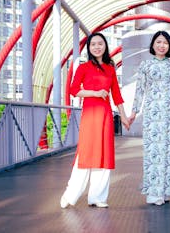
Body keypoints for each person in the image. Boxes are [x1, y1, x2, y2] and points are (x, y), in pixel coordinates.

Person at [60, 32, 129, 209]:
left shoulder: (110, 69)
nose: (97, 47)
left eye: (100, 44)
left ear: (105, 46)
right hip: (90, 115)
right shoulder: (83, 68)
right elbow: (73, 90)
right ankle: (71, 194)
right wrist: (95, 93)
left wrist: (123, 116)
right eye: (93, 44)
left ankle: (97, 197)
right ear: (89, 48)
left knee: (103, 154)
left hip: (105, 116)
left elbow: (117, 96)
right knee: (86, 154)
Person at [129, 30, 170, 206]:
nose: (161, 45)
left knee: (169, 151)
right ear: (153, 44)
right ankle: (154, 192)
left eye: (165, 42)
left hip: (169, 113)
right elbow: (140, 90)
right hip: (152, 113)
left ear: (169, 46)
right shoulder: (145, 65)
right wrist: (133, 112)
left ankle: (166, 190)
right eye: (158, 42)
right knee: (153, 150)